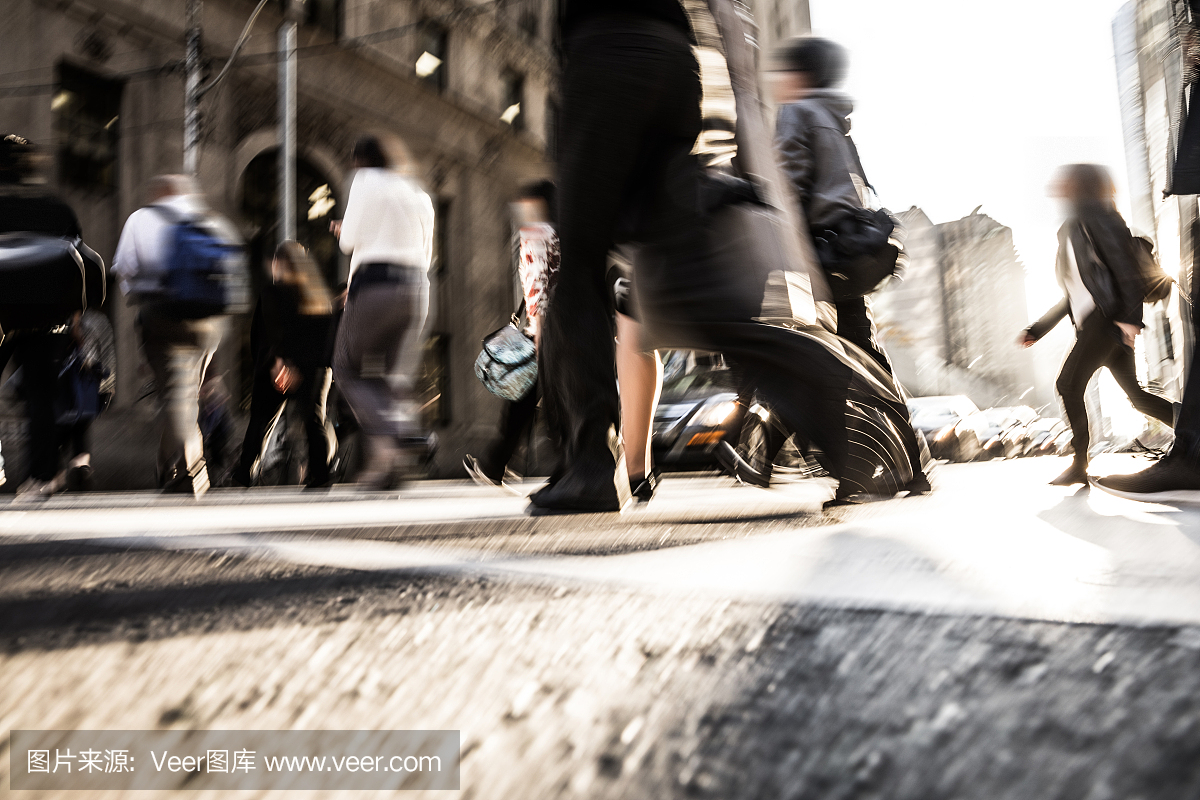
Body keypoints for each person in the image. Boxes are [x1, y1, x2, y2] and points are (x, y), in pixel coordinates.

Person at [534, 0, 912, 512]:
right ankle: (835, 419)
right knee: (700, 301)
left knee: (578, 266)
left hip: (605, 52)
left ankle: (588, 470)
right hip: (675, 67)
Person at [716, 37, 930, 495]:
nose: (773, 82)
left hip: (820, 252)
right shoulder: (834, 120)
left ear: (800, 76)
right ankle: (910, 464)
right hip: (850, 252)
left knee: (804, 352)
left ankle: (780, 452)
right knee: (866, 358)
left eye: (780, 72)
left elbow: (788, 183)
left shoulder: (799, 113)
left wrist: (742, 193)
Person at [1020, 163, 1173, 486]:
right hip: (1101, 322)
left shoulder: (1100, 217)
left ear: (1081, 186)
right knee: (1138, 397)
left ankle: (1079, 465)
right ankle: (1195, 429)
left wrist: (1129, 320)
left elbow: (1125, 268)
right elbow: (1071, 295)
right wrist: (1037, 329)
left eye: (1066, 181)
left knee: (1067, 384)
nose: (1057, 186)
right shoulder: (1071, 228)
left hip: (1107, 322)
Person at [112, 173, 241, 495]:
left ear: (160, 192)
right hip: (209, 323)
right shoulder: (212, 221)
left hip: (164, 315)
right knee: (185, 396)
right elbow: (233, 275)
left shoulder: (142, 218)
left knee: (176, 396)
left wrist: (140, 291)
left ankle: (192, 470)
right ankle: (168, 467)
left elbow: (124, 269)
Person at [331, 135, 434, 490]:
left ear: (362, 159)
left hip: (375, 285)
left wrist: (345, 231)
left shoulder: (365, 180)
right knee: (385, 378)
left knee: (347, 367)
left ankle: (399, 431)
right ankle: (388, 467)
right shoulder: (418, 194)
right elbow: (426, 252)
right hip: (416, 289)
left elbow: (349, 241)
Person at [0, 134, 95, 500]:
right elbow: (76, 268)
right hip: (49, 318)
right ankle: (42, 477)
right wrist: (74, 321)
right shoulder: (58, 208)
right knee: (41, 399)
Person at [233, 241, 336, 488]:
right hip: (312, 370)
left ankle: (243, 476)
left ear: (278, 263)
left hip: (277, 369)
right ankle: (320, 475)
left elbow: (267, 332)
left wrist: (276, 363)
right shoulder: (319, 296)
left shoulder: (273, 292)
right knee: (313, 421)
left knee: (260, 423)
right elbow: (327, 339)